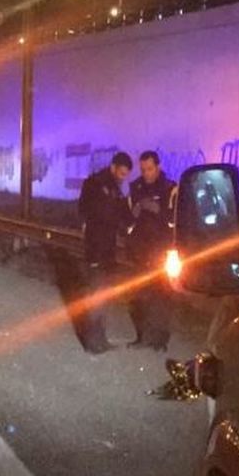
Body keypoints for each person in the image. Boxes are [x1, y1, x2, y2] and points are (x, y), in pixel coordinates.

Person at [76, 151, 133, 353]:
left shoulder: (116, 189)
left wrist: (129, 224)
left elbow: (122, 214)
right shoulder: (95, 184)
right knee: (96, 295)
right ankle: (92, 343)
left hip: (107, 251)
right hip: (96, 249)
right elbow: (86, 209)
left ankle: (100, 339)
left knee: (103, 296)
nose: (123, 177)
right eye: (121, 173)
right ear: (113, 167)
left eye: (126, 174)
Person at [126, 150, 177, 351]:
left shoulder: (170, 188)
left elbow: (175, 220)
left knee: (162, 296)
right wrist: (135, 211)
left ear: (158, 167)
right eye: (143, 169)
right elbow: (128, 218)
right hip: (140, 250)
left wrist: (159, 210)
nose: (146, 173)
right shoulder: (136, 187)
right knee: (140, 295)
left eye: (149, 169)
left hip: (161, 251)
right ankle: (142, 337)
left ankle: (159, 341)